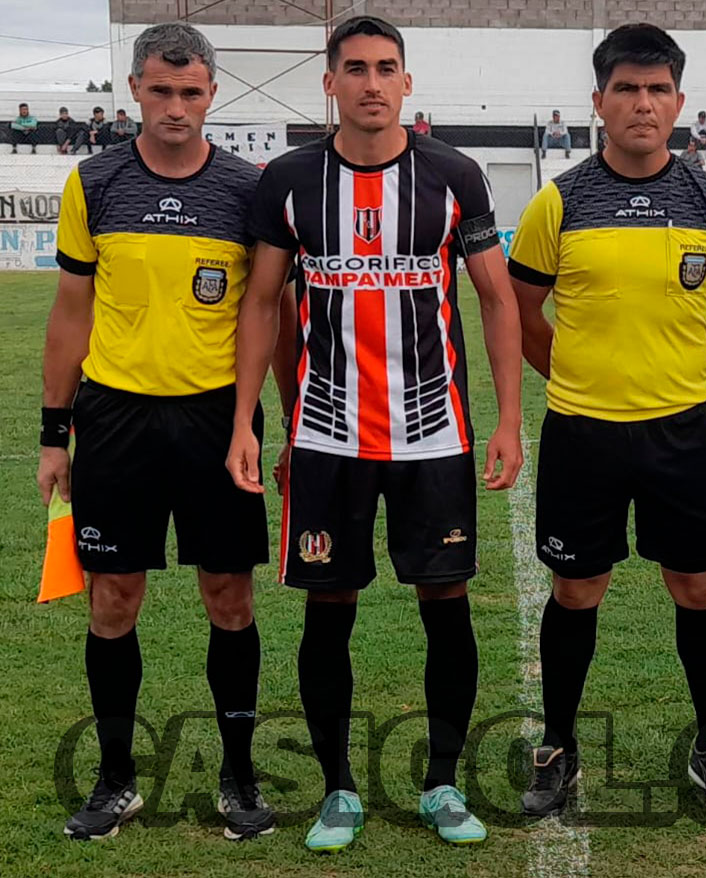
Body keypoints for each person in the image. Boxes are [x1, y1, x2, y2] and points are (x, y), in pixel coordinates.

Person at [226, 15, 524, 852]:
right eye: (354, 68)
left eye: (385, 68)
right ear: (330, 82)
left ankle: (442, 783)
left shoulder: (454, 175)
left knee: (445, 602)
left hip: (433, 432)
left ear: (406, 82)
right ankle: (338, 791)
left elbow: (496, 299)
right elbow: (263, 303)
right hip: (328, 435)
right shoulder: (289, 180)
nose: (370, 83)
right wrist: (250, 421)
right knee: (329, 607)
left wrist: (508, 419)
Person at [507, 23, 706, 818]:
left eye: (656, 90)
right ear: (599, 101)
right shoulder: (558, 202)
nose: (642, 104)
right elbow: (520, 312)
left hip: (681, 432)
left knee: (697, 584)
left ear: (679, 103)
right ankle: (557, 747)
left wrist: (684, 385)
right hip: (581, 432)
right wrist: (575, 380)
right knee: (576, 588)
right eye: (626, 89)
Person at [39, 22, 274, 843]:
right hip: (115, 420)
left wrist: (257, 425)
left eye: (192, 92)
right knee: (113, 599)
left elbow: (264, 313)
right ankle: (115, 781)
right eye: (162, 90)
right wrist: (54, 434)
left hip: (215, 421)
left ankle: (239, 777)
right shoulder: (93, 181)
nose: (176, 106)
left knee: (229, 597)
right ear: (135, 88)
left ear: (212, 94)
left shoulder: (247, 189)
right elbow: (71, 314)